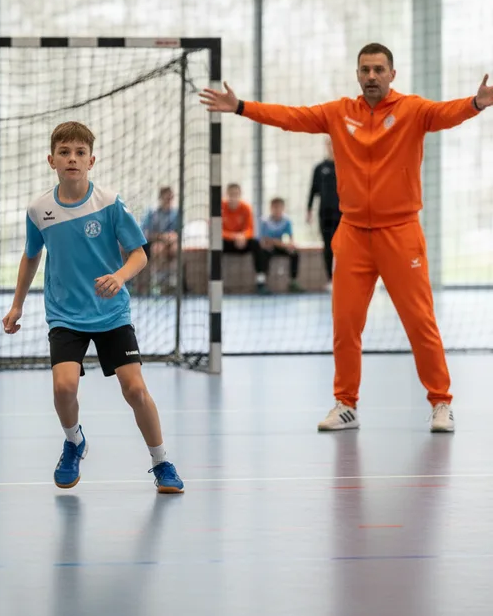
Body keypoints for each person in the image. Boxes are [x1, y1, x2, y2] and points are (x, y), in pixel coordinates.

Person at [200, 42, 493, 433]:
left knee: (420, 322)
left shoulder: (413, 110)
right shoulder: (339, 113)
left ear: (392, 74)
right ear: (358, 75)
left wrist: (476, 102)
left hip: (400, 233)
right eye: (365, 70)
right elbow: (292, 117)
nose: (371, 76)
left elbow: (446, 113)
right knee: (345, 325)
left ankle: (441, 402)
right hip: (352, 235)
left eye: (378, 69)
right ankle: (345, 403)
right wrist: (240, 107)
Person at [2, 121, 184, 493]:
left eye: (80, 153)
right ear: (51, 159)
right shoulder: (39, 209)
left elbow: (139, 255)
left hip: (111, 313)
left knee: (134, 389)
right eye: (65, 152)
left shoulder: (110, 204)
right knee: (63, 387)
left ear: (92, 160)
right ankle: (73, 442)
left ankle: (161, 461)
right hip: (65, 314)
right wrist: (17, 305)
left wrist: (119, 277)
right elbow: (31, 256)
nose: (73, 158)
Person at [307, 138, 340, 290]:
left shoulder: (346, 164)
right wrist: (308, 210)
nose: (332, 147)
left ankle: (344, 279)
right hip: (324, 214)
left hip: (344, 214)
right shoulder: (320, 168)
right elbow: (313, 191)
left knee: (344, 247)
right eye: (330, 144)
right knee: (328, 247)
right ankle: (331, 279)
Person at [221, 183, 263, 291]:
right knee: (215, 246)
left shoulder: (246, 208)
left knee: (256, 244)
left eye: (236, 194)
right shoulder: (220, 207)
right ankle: (218, 283)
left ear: (240, 195)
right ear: (227, 195)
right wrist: (234, 236)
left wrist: (243, 236)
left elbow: (250, 229)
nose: (233, 197)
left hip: (243, 242)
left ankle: (261, 281)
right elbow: (216, 230)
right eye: (231, 194)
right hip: (227, 242)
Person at [257, 197, 303, 294]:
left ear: (283, 208)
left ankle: (293, 282)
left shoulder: (287, 221)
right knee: (263, 253)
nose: (277, 210)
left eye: (279, 207)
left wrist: (290, 245)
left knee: (294, 253)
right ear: (271, 208)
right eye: (275, 207)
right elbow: (266, 240)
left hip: (280, 246)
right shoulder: (265, 221)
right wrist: (281, 244)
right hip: (268, 248)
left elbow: (291, 238)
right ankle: (261, 283)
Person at [141, 186, 179, 292]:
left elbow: (179, 231)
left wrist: (174, 237)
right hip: (155, 242)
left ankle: (175, 281)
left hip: (171, 243)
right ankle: (159, 281)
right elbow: (145, 232)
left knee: (177, 248)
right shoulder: (152, 213)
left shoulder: (176, 214)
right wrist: (162, 236)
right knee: (158, 249)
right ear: (160, 198)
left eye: (170, 198)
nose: (169, 201)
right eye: (166, 198)